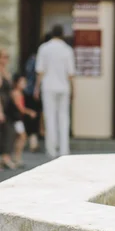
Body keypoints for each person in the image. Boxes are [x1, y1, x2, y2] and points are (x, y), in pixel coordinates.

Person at [35, 25, 75, 158]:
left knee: (50, 117)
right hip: (64, 87)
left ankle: (51, 149)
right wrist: (73, 89)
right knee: (64, 117)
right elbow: (71, 73)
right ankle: (64, 149)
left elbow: (40, 71)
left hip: (48, 86)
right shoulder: (67, 50)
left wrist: (36, 87)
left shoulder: (44, 48)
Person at [24, 34, 50, 152]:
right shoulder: (38, 59)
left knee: (35, 116)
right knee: (35, 115)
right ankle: (34, 140)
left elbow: (28, 73)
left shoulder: (33, 59)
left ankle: (35, 139)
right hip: (37, 91)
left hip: (34, 91)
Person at [9, 73, 37, 168]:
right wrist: (30, 112)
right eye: (22, 82)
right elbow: (20, 108)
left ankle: (16, 158)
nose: (24, 84)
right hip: (16, 119)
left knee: (19, 137)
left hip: (18, 118)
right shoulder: (16, 93)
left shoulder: (19, 93)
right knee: (22, 137)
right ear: (17, 83)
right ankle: (16, 158)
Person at [0, 49, 15, 168]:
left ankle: (6, 157)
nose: (5, 60)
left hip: (8, 106)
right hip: (1, 105)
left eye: (7, 57)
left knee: (9, 131)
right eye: (3, 57)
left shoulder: (6, 71)